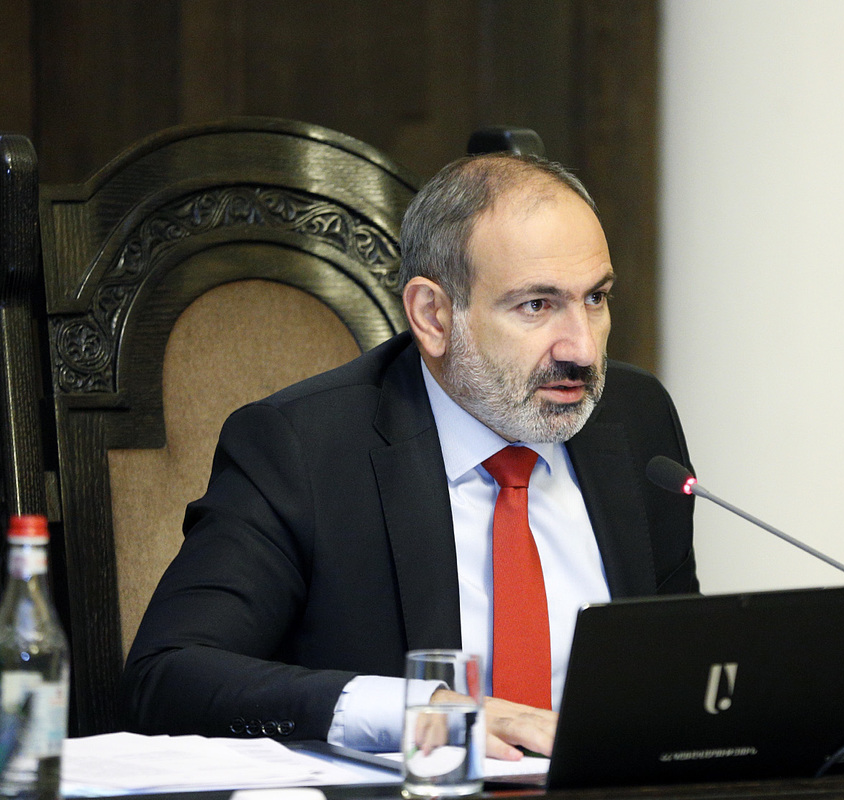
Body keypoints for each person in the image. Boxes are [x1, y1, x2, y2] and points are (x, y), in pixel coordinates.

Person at [120, 153, 698, 758]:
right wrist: (419, 712)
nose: (581, 348)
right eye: (536, 305)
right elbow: (168, 677)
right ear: (433, 315)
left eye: (596, 298)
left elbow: (675, 661)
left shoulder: (636, 420)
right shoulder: (302, 449)